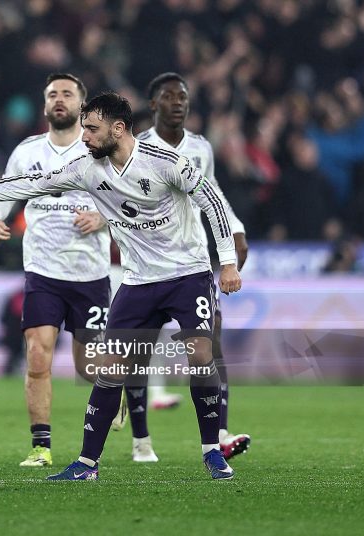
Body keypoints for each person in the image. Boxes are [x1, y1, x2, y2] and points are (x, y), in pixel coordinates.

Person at [0, 92, 242, 480]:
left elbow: (211, 200)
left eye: (91, 129)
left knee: (199, 354)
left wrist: (226, 263)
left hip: (187, 275)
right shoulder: (87, 168)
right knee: (110, 369)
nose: (85, 137)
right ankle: (87, 463)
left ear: (119, 128)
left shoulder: (163, 162)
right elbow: (27, 184)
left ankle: (212, 450)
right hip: (138, 281)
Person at [113, 73, 251, 462]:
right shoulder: (135, 148)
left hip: (190, 264)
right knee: (137, 353)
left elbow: (212, 194)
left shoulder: (201, 148)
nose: (178, 102)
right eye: (168, 96)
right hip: (146, 267)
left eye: (183, 96)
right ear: (153, 104)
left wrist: (235, 231)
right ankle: (141, 440)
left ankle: (219, 434)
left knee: (210, 343)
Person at [0, 73, 111, 467]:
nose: (59, 99)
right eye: (53, 94)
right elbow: (6, 190)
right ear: (44, 105)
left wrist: (103, 218)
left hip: (89, 271)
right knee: (37, 356)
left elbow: (133, 199)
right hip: (42, 270)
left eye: (67, 94)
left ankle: (115, 396)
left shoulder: (100, 150)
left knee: (88, 367)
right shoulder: (27, 151)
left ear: (82, 106)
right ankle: (41, 447)